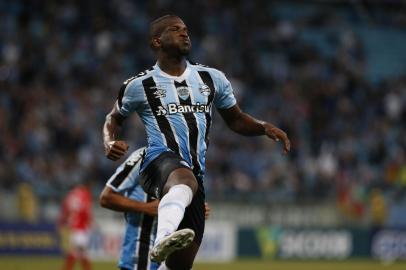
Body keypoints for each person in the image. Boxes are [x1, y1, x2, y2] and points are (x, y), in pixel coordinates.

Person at [103, 14, 290, 270]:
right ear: (157, 41)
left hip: (194, 180)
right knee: (183, 179)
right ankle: (163, 236)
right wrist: (109, 141)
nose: (184, 33)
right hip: (157, 164)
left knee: (179, 265)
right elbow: (113, 118)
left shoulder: (212, 78)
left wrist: (263, 127)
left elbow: (235, 120)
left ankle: (165, 248)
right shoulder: (139, 85)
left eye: (186, 29)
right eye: (175, 29)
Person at [99, 147, 210, 270]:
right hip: (139, 255)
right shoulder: (143, 156)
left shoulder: (189, 161)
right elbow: (106, 197)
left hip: (166, 258)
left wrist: (195, 210)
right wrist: (146, 208)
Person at [59, 180, 93, 270]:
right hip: (81, 227)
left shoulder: (70, 195)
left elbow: (65, 210)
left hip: (73, 226)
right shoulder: (85, 194)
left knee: (76, 251)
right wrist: (90, 222)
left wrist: (62, 222)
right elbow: (86, 211)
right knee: (81, 251)